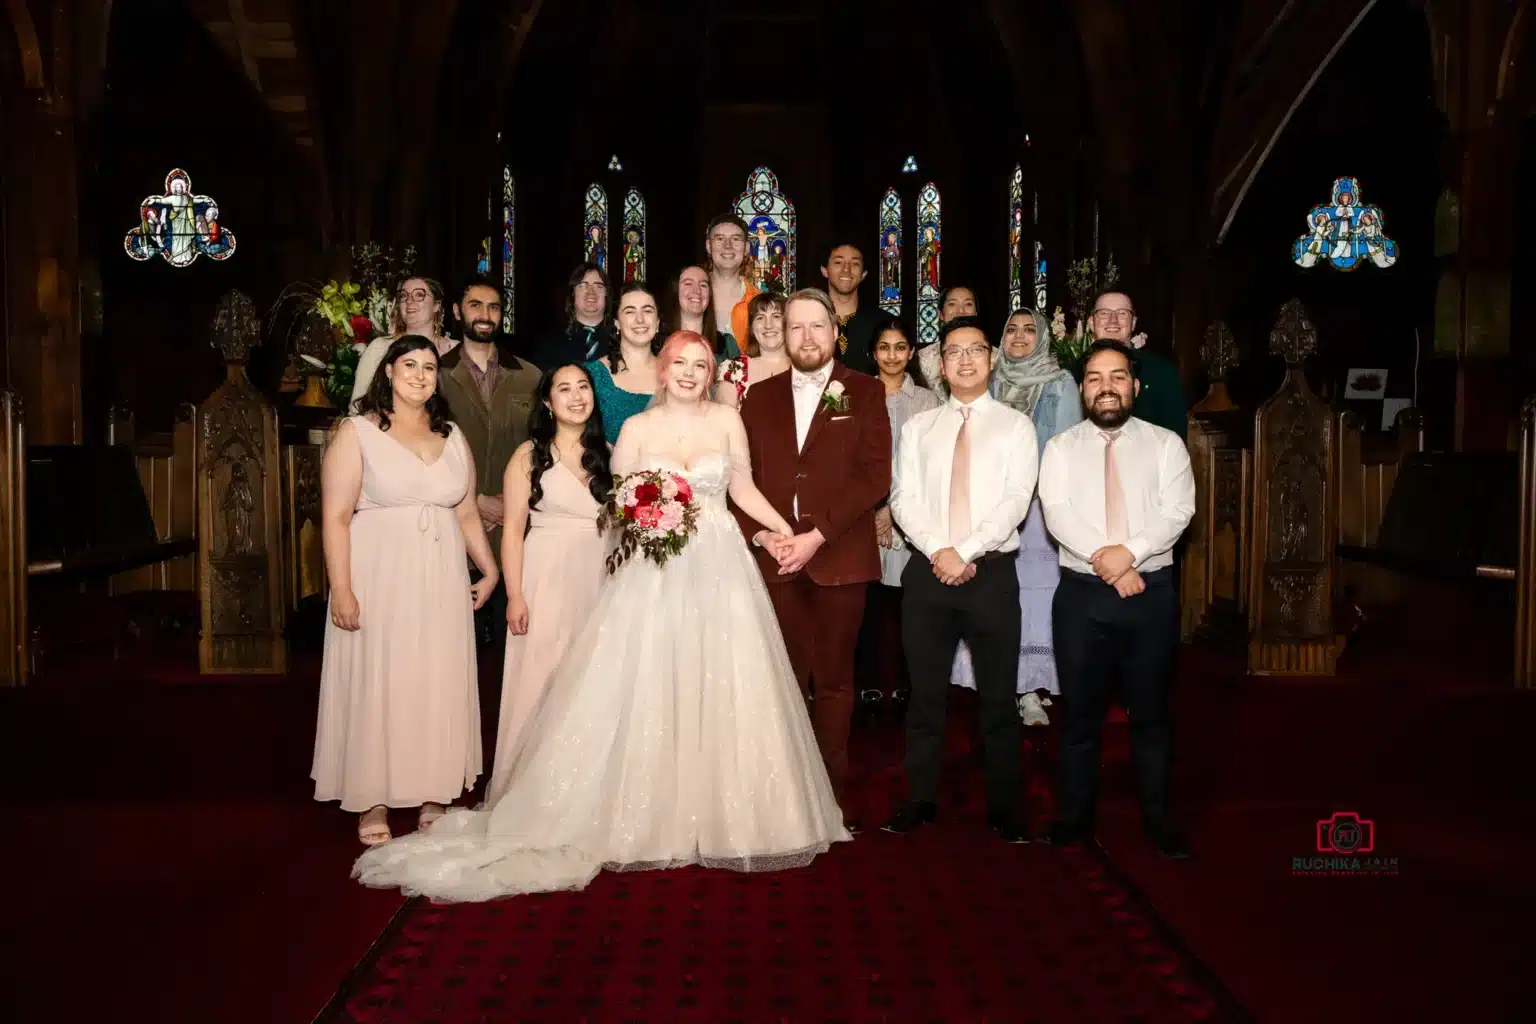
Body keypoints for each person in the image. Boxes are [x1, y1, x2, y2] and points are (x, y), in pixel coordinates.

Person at [352, 330, 849, 901]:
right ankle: (648, 812)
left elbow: (742, 487)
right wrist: (646, 524)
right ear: (662, 371)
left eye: (700, 364)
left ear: (711, 373)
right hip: (656, 568)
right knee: (648, 683)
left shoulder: (726, 423)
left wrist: (785, 532)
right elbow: (623, 501)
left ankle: (725, 812)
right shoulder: (635, 430)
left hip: (720, 567)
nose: (689, 372)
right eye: (679, 362)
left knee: (724, 678)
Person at [313, 335, 499, 845]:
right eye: (409, 366)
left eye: (429, 368)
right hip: (379, 575)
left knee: (434, 678)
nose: (420, 375)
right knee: (380, 679)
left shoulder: (453, 436)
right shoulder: (357, 433)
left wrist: (490, 569)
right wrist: (341, 588)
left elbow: (464, 511)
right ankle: (371, 799)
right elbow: (335, 517)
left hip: (440, 578)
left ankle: (432, 790)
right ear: (388, 373)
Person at [732, 289, 892, 825]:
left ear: (834, 332)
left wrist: (817, 536)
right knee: (778, 677)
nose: (805, 337)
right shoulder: (758, 397)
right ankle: (779, 794)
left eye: (816, 327)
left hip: (839, 558)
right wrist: (760, 536)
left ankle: (827, 797)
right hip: (774, 559)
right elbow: (740, 481)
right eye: (795, 327)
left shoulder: (863, 391)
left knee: (834, 681)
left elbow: (874, 476)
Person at [1038, 340, 1194, 859]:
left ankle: (1158, 817)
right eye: (1096, 378)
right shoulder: (1060, 448)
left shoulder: (1167, 444)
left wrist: (1128, 555)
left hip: (1151, 594)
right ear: (1082, 390)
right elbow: (1057, 513)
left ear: (1135, 384)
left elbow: (1177, 513)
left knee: (1151, 715)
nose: (1107, 386)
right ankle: (1074, 815)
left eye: (1118, 376)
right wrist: (1106, 563)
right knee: (1079, 716)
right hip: (1082, 599)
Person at [884, 317, 1037, 843]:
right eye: (954, 352)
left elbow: (1015, 500)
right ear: (940, 363)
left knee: (997, 700)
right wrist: (939, 551)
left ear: (991, 359)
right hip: (928, 573)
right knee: (924, 699)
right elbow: (904, 498)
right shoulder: (918, 427)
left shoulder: (1016, 426)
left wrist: (966, 551)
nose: (965, 360)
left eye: (975, 350)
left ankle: (1006, 807)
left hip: (990, 575)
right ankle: (919, 801)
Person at [950, 308, 1080, 726]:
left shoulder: (1060, 383)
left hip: (1041, 512)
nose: (1020, 337)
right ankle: (993, 685)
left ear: (1043, 337)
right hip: (988, 509)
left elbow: (1070, 448)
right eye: (1011, 329)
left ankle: (1029, 690)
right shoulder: (989, 381)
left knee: (1035, 603)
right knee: (994, 600)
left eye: (1029, 330)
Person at [488, 363, 611, 800]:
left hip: (597, 580)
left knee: (590, 682)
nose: (577, 396)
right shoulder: (528, 455)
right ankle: (529, 790)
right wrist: (516, 594)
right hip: (545, 579)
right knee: (540, 677)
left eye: (583, 387)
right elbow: (513, 531)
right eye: (564, 389)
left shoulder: (608, 453)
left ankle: (583, 790)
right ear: (547, 401)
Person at [434, 277, 542, 644]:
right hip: (454, 528)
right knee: (455, 649)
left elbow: (542, 449)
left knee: (516, 647)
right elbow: (428, 449)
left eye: (493, 307)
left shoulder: (530, 376)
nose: (484, 315)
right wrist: (476, 500)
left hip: (518, 530)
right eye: (475, 305)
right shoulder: (435, 374)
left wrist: (512, 504)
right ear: (456, 312)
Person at [864, 316, 941, 710]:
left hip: (913, 519)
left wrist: (893, 513)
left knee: (911, 609)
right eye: (883, 347)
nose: (892, 355)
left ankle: (911, 685)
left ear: (911, 353)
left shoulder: (930, 404)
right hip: (864, 518)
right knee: (871, 608)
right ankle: (872, 684)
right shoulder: (856, 396)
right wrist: (876, 511)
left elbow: (933, 467)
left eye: (899, 347)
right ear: (872, 353)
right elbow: (851, 464)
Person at [1088, 290, 1186, 439]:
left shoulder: (1162, 372)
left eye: (1122, 313)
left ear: (1133, 323)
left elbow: (1175, 435)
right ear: (1091, 322)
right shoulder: (1070, 374)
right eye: (1104, 313)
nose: (1113, 320)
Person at [350, 276, 455, 410]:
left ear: (436, 305)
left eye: (419, 295)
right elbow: (357, 406)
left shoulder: (455, 349)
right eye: (404, 296)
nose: (409, 301)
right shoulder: (380, 347)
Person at [587, 280, 661, 442]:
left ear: (657, 323)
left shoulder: (674, 373)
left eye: (647, 311)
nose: (640, 319)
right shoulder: (593, 375)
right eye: (629, 311)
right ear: (617, 323)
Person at [527, 264, 615, 370]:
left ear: (607, 295)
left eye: (598, 286)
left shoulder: (620, 342)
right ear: (572, 294)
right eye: (583, 285)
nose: (591, 292)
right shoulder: (550, 346)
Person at [715, 290, 791, 408]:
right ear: (751, 328)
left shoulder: (803, 368)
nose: (768, 325)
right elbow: (725, 423)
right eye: (760, 318)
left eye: (776, 316)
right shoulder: (733, 370)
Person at [821, 239, 884, 377]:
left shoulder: (882, 323)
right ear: (824, 270)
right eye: (838, 262)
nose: (846, 270)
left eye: (855, 264)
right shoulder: (809, 321)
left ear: (863, 274)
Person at [705, 213, 759, 353]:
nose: (727, 246)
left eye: (736, 239)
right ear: (708, 246)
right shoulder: (691, 295)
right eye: (720, 239)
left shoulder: (758, 301)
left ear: (746, 248)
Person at [917, 285, 980, 396]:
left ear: (976, 312)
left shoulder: (994, 357)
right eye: (952, 304)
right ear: (940, 313)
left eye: (968, 304)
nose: (961, 311)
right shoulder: (924, 358)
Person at [663, 265, 732, 357]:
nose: (697, 291)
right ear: (675, 291)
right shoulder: (659, 342)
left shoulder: (727, 345)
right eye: (688, 283)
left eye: (703, 285)